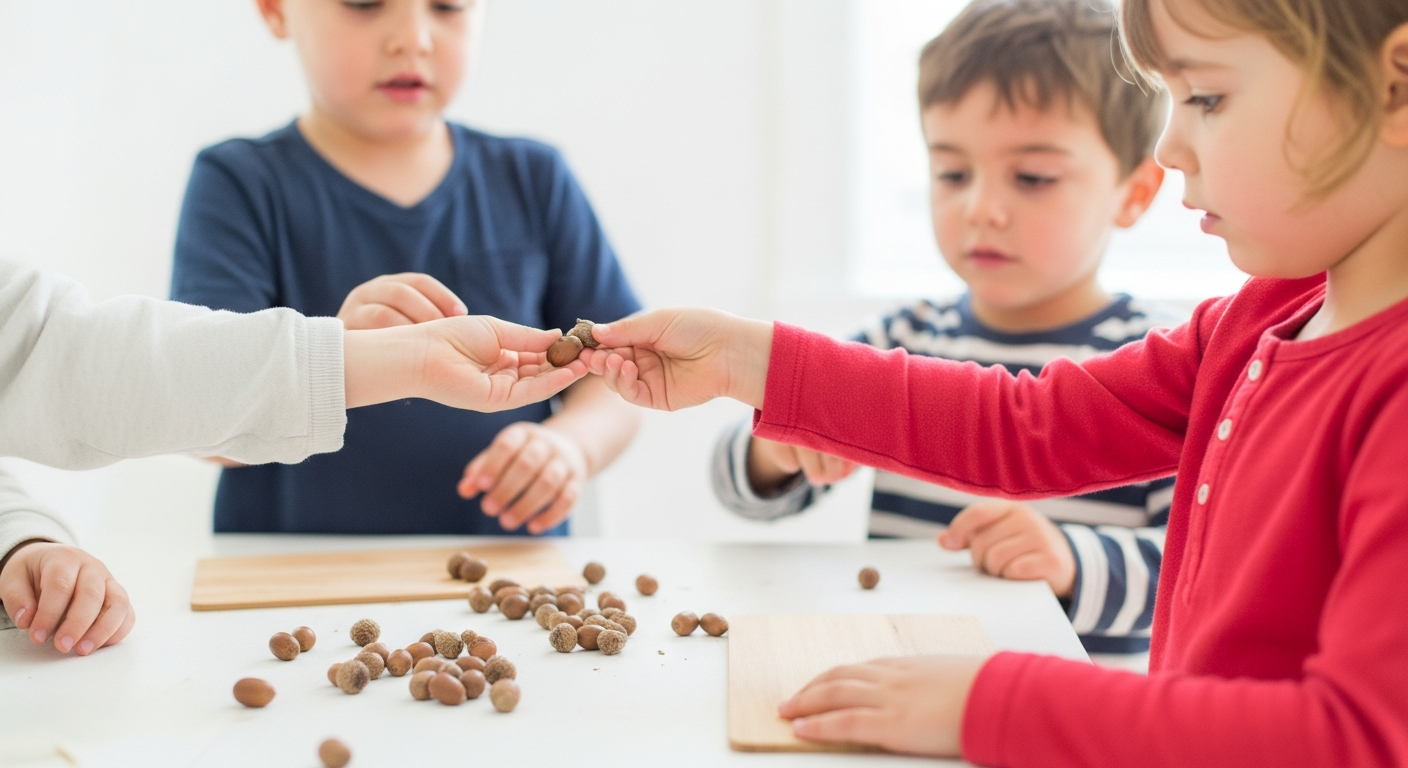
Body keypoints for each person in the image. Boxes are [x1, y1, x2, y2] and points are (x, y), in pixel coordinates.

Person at [579, 0, 1408, 761]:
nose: (1169, 146)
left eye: (1209, 98)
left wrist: (990, 699)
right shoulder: (1256, 321)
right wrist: (746, 359)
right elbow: (1025, 427)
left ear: (1394, 86)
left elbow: (1351, 737)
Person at [710, 0, 1180, 657]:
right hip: (900, 691)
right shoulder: (902, 339)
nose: (981, 208)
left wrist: (1075, 561)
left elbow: (1204, 571)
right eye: (952, 173)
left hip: (1059, 719)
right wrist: (776, 452)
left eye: (1033, 177)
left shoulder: (1160, 367)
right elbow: (740, 494)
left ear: (1134, 193)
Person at [170, 0, 641, 537]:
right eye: (364, 4)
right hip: (294, 587)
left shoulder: (534, 179)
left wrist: (570, 446)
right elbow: (203, 420)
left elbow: (617, 372)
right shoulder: (238, 185)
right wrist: (334, 361)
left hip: (502, 590)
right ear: (277, 11)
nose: (413, 37)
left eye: (448, 6)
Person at [0, 260, 585, 655]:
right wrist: (373, 354)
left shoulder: (537, 175)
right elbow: (187, 405)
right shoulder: (238, 178)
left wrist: (20, 538)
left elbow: (48, 348)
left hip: (512, 554)